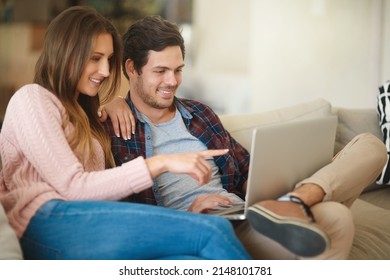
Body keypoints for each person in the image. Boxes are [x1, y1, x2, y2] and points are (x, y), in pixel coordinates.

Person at [102, 15, 388, 259]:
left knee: (371, 146)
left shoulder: (200, 115)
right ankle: (295, 203)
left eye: (178, 70)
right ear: (131, 69)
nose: (172, 81)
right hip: (207, 228)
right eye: (160, 71)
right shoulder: (114, 130)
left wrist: (270, 183)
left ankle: (294, 200)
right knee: (337, 218)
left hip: (246, 213)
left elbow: (246, 171)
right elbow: (117, 217)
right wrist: (187, 219)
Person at [0, 6, 251, 260]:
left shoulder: (88, 119)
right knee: (211, 231)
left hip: (88, 224)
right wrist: (161, 163)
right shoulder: (31, 99)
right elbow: (72, 187)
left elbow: (102, 193)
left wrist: (116, 103)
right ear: (66, 52)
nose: (106, 71)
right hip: (45, 221)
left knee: (186, 263)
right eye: (95, 58)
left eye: (108, 60)